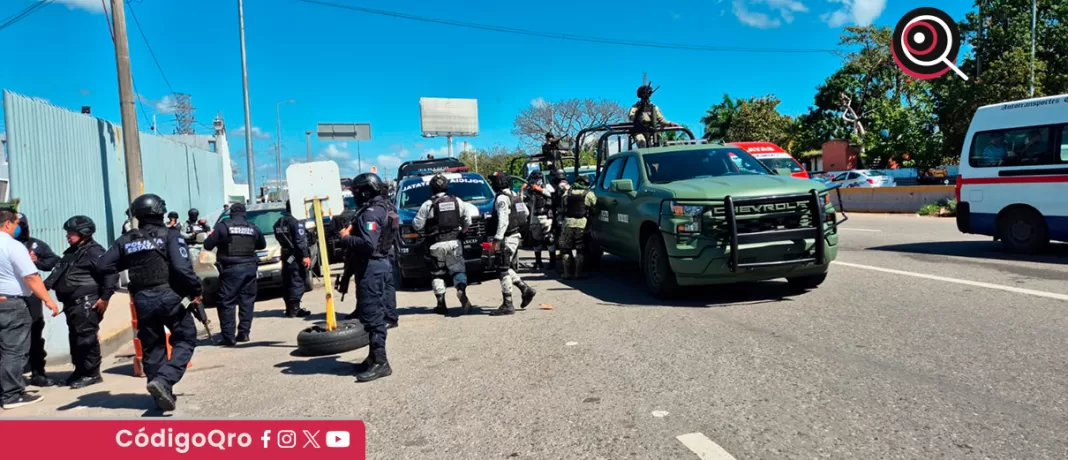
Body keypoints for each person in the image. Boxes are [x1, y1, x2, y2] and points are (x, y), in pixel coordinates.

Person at [93, 194, 201, 411]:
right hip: (168, 296)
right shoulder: (171, 235)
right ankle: (165, 380)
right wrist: (196, 290)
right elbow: (182, 268)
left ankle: (161, 396)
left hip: (142, 300)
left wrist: (129, 262)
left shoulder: (126, 239)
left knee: (152, 347)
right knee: (186, 338)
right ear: (161, 211)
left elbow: (102, 265)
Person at [44, 216, 117, 389]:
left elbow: (111, 274)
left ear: (84, 233)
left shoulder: (94, 251)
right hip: (72, 305)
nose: (68, 236)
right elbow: (57, 273)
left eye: (72, 233)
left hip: (86, 303)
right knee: (76, 338)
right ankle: (80, 370)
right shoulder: (73, 251)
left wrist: (105, 298)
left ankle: (92, 374)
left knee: (86, 338)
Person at [339, 172, 397, 382]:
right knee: (372, 313)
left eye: (355, 191)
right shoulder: (384, 207)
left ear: (364, 191)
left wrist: (346, 238)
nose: (354, 195)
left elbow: (367, 244)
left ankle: (381, 362)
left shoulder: (370, 213)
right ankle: (373, 356)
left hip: (372, 267)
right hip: (380, 265)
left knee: (373, 316)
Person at [0, 208, 60, 409]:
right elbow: (31, 277)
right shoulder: (13, 246)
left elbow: (51, 260)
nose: (18, 227)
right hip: (12, 304)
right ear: (7, 224)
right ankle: (11, 395)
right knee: (13, 351)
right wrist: (48, 300)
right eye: (16, 223)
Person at [203, 202, 266, 346]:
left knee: (227, 301)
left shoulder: (223, 226)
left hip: (231, 268)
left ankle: (228, 336)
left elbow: (207, 244)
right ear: (244, 213)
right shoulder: (252, 227)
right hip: (250, 268)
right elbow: (262, 245)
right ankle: (244, 333)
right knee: (247, 300)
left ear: (231, 212)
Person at [412, 174, 474, 315]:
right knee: (458, 270)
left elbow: (417, 225)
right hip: (454, 242)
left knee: (437, 275)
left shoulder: (427, 204)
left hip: (435, 244)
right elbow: (468, 221)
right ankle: (461, 290)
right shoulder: (457, 201)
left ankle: (441, 304)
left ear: (432, 188)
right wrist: (462, 232)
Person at [13, 213, 60, 387]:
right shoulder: (5, 245)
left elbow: (53, 260)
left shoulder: (34, 244)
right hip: (9, 296)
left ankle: (38, 373)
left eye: (20, 224)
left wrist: (36, 261)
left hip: (31, 295)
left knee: (35, 331)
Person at [486, 172, 537, 316]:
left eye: (494, 181)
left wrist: (497, 239)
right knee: (505, 266)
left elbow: (503, 220)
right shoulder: (514, 196)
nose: (492, 184)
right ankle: (525, 289)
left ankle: (508, 304)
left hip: (506, 238)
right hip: (516, 235)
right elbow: (525, 213)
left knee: (502, 269)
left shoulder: (502, 198)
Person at [273, 200, 312, 318]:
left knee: (288, 280)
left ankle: (289, 308)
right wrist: (305, 255)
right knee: (297, 279)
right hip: (296, 254)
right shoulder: (296, 222)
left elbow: (278, 235)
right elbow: (300, 241)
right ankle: (295, 309)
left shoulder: (279, 222)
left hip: (285, 253)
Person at [559, 175, 597, 279]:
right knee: (580, 249)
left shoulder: (567, 193)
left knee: (566, 249)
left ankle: (566, 273)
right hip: (582, 224)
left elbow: (563, 206)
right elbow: (594, 207)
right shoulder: (589, 194)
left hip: (567, 224)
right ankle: (578, 273)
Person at [525, 171, 555, 270]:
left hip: (546, 217)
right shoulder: (529, 189)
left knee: (549, 239)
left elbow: (553, 195)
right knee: (536, 241)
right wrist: (522, 190)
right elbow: (522, 200)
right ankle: (538, 262)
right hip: (535, 218)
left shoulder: (547, 186)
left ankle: (552, 262)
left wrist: (540, 189)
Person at [546, 168, 569, 271]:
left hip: (561, 216)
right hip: (568, 217)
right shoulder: (568, 185)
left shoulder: (559, 187)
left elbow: (556, 202)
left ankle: (562, 266)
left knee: (558, 240)